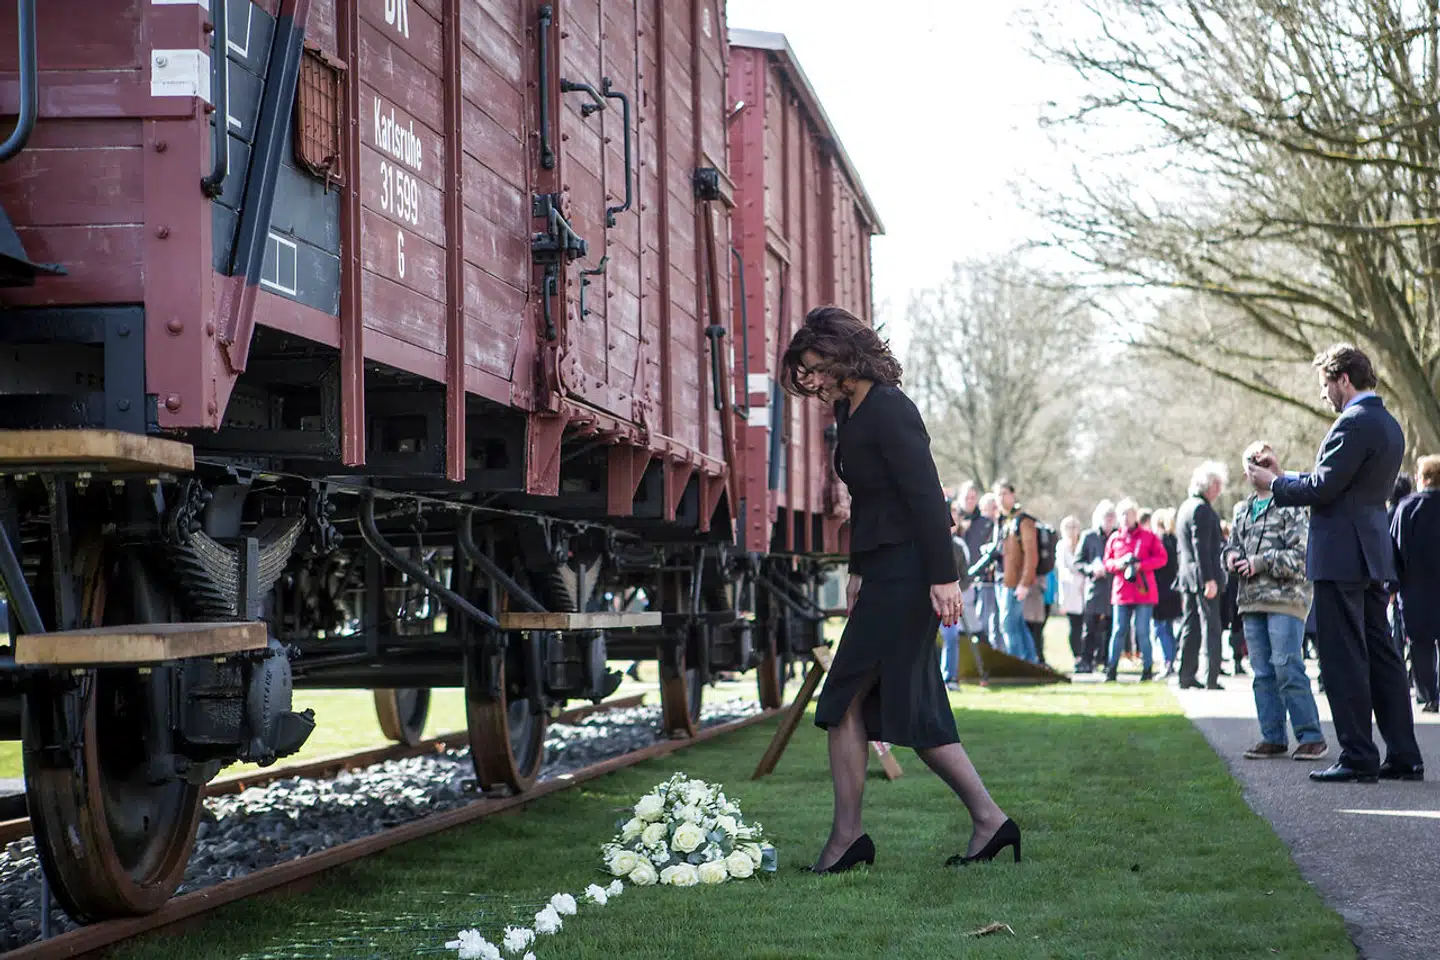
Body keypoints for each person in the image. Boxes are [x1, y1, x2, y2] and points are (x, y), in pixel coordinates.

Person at [781, 305, 1018, 871]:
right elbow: (870, 501)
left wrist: (944, 577)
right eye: (805, 370)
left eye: (815, 366)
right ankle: (991, 821)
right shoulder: (851, 408)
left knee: (843, 700)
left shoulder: (888, 408)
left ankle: (848, 840)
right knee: (912, 707)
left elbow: (923, 498)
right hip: (885, 571)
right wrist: (858, 569)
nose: (810, 379)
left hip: (912, 574)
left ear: (843, 355)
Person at [1245, 342, 1423, 784]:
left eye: (1325, 384)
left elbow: (1323, 489)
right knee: (1383, 658)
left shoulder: (1353, 423)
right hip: (1371, 553)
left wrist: (1275, 482)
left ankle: (1358, 756)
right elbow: (1340, 484)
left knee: (1343, 659)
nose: (1324, 394)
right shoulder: (1388, 424)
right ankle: (1404, 754)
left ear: (1343, 379)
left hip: (1341, 556)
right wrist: (1285, 473)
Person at [1225, 441, 1329, 762]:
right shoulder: (1241, 510)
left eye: (1266, 461)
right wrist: (1230, 557)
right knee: (1262, 672)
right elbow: (1231, 546)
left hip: (1287, 598)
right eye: (1254, 462)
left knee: (1286, 665)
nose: (1260, 465)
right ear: (1246, 471)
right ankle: (1272, 737)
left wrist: (1261, 562)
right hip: (1251, 599)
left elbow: (1301, 556)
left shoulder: (1291, 503)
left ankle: (1311, 737)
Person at [1391, 455, 1440, 713]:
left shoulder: (1407, 508)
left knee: (1420, 645)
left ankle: (1429, 695)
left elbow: (1395, 550)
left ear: (1422, 478)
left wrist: (1391, 586)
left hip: (1415, 589)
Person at [1102, 498, 1167, 681]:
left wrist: (1141, 565)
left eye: (1128, 514)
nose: (1125, 518)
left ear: (1135, 516)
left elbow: (1162, 559)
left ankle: (1147, 669)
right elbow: (1107, 562)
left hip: (1143, 591)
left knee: (1142, 631)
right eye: (1121, 514)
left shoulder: (1148, 537)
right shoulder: (1114, 538)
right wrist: (1119, 564)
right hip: (1122, 592)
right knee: (1118, 630)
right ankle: (1111, 669)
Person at [1176, 461, 1228, 690]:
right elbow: (1202, 548)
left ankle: (1186, 674)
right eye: (1217, 484)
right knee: (1211, 626)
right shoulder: (1202, 510)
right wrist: (1209, 579)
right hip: (1203, 576)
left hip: (1187, 576)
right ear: (1209, 485)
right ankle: (1211, 676)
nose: (1219, 490)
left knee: (1191, 625)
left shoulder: (1186, 507)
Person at [992, 480, 1039, 663]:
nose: (1001, 498)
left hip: (1015, 583)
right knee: (1017, 624)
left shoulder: (1023, 521)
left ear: (1013, 495)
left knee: (1008, 625)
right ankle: (1030, 661)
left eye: (1005, 493)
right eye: (998, 494)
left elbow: (1031, 555)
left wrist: (1025, 583)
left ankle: (1016, 662)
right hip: (1001, 580)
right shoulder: (1003, 521)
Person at [1074, 500, 1117, 673]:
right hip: (1095, 587)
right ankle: (1086, 660)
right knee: (1090, 626)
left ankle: (1107, 660)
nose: (1108, 520)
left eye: (1111, 517)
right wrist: (1091, 569)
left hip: (1113, 587)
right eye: (1106, 517)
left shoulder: (1118, 536)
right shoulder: (1089, 536)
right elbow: (1078, 562)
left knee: (1110, 627)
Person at [1151, 508, 1182, 676]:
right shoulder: (1175, 541)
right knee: (1169, 627)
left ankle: (1168, 660)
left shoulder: (1159, 543)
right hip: (1173, 590)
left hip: (1160, 591)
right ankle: (1171, 658)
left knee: (1161, 628)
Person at [1056, 515, 1087, 669]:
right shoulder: (1061, 547)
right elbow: (1063, 571)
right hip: (1069, 591)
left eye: (1074, 527)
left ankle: (1087, 657)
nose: (1071, 531)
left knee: (1086, 626)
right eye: (1068, 527)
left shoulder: (1083, 544)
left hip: (1084, 590)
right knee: (1074, 626)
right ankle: (1077, 657)